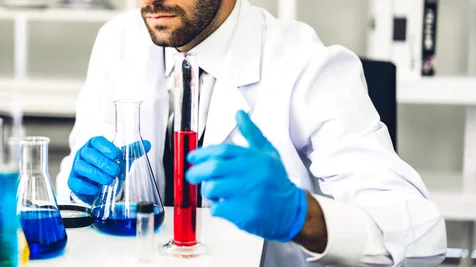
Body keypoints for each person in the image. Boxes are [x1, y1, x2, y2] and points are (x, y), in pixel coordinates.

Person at [57, 0, 447, 265]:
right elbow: (70, 189)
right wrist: (81, 192)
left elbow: (421, 234)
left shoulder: (305, 64)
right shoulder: (118, 42)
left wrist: (301, 215)